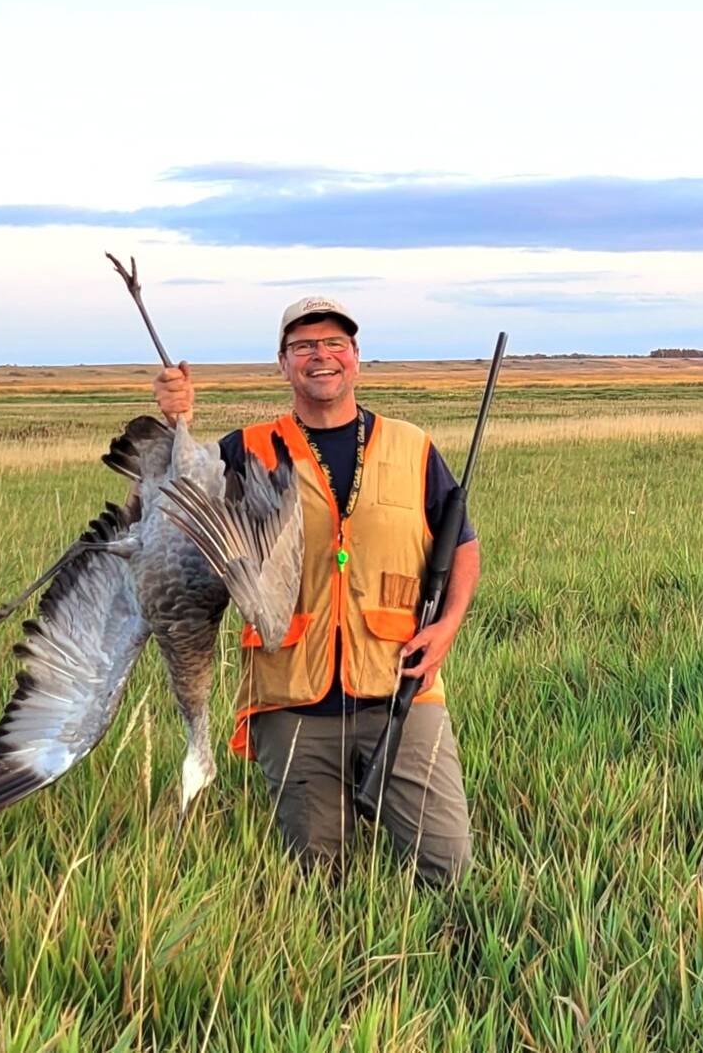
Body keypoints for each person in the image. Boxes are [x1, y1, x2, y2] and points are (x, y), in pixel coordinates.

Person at [153, 295, 480, 883]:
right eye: (303, 346)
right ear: (283, 363)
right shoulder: (245, 448)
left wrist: (447, 626)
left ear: (356, 358)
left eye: (334, 343)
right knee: (317, 877)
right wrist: (178, 423)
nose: (320, 356)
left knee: (447, 867)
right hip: (292, 700)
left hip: (401, 688)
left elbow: (462, 547)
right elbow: (179, 509)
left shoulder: (412, 446)